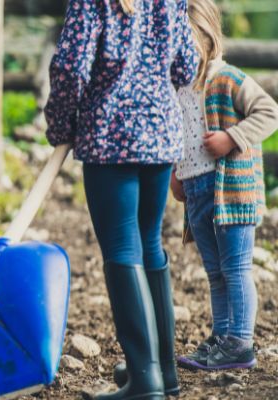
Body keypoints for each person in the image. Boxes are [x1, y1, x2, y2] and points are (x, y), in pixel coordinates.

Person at [44, 0, 199, 398]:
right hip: (161, 133)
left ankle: (144, 378)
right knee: (149, 242)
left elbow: (70, 67)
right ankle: (162, 372)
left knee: (122, 247)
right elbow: (186, 66)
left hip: (110, 134)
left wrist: (60, 123)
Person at [171, 0, 278, 372]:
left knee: (236, 269)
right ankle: (221, 336)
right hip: (197, 192)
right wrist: (176, 173)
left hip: (231, 190)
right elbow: (179, 135)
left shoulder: (227, 77)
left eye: (183, 39)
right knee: (214, 272)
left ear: (206, 36)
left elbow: (269, 112)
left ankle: (241, 342)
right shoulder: (177, 86)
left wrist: (232, 137)